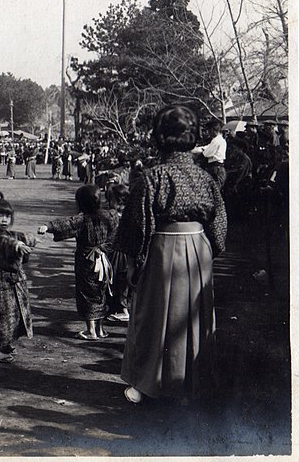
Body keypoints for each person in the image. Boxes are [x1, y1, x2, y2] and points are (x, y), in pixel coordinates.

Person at [115, 105, 227, 404]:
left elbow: (137, 227)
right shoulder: (205, 178)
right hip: (198, 247)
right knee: (193, 317)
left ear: (159, 137)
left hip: (163, 248)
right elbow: (219, 224)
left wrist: (133, 263)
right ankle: (192, 384)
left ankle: (146, 382)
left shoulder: (153, 178)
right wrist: (207, 251)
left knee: (153, 314)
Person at [38, 185, 121, 340]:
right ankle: (100, 329)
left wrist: (47, 227)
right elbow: (116, 231)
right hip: (104, 258)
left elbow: (66, 223)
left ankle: (91, 330)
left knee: (87, 292)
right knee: (101, 291)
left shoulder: (82, 219)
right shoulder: (110, 216)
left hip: (86, 259)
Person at [0, 191, 36, 362]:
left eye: (7, 216)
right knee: (0, 315)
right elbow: (6, 242)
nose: (4, 220)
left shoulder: (7, 233)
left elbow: (16, 236)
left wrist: (29, 239)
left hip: (11, 283)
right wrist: (17, 245)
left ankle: (6, 343)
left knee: (13, 314)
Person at [104, 184, 131, 322]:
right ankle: (118, 307)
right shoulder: (130, 212)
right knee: (121, 280)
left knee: (118, 279)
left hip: (119, 252)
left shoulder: (113, 214)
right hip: (125, 251)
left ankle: (123, 309)